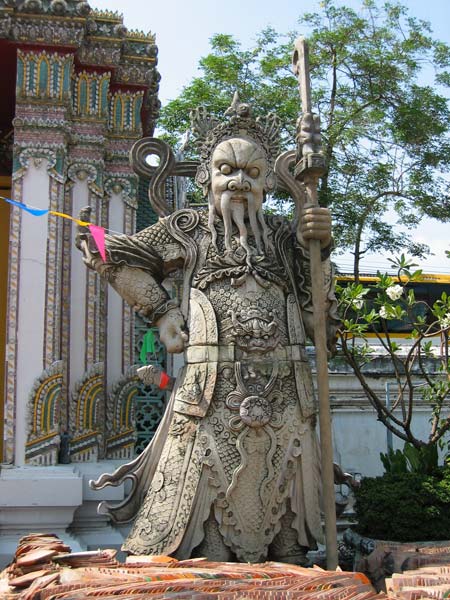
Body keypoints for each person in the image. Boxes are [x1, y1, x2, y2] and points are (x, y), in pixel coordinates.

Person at [77, 96, 339, 564]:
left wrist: (318, 241)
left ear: (267, 185)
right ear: (206, 177)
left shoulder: (283, 236)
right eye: (226, 170)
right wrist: (161, 311)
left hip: (284, 394)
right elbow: (104, 250)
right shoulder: (187, 229)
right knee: (207, 521)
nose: (239, 182)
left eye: (253, 174)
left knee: (284, 522)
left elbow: (318, 311)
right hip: (210, 393)